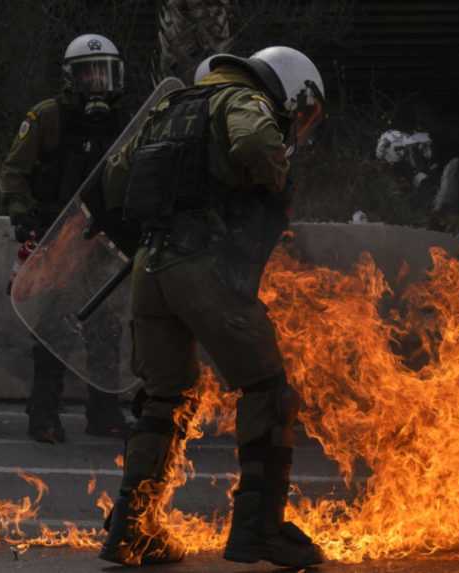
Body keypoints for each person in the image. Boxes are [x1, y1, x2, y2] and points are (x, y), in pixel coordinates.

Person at [96, 46, 326, 568]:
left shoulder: (170, 108)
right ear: (288, 88)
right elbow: (254, 143)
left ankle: (132, 529)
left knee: (164, 399)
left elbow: (113, 180)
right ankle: (259, 530)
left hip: (149, 270)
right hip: (202, 267)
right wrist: (272, 176)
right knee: (267, 391)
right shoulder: (242, 99)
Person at [0, 33, 131, 443]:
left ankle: (104, 414)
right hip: (57, 238)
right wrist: (23, 216)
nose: (96, 82)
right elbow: (13, 172)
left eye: (104, 73)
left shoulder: (127, 123)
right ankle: (43, 415)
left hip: (103, 241)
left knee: (105, 328)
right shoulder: (48, 118)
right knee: (55, 327)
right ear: (70, 78)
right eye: (87, 73)